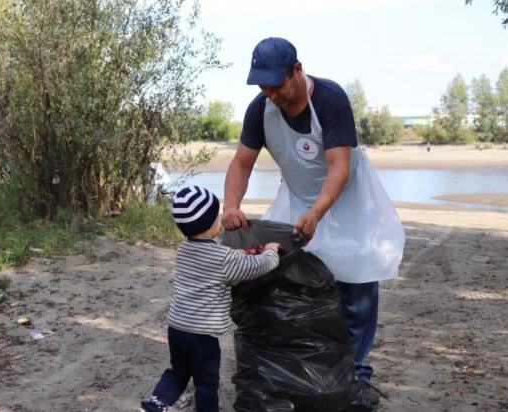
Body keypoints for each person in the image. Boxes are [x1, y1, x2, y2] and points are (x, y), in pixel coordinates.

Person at [221, 37, 405, 406]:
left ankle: (356, 372)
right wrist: (230, 205)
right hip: (297, 197)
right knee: (281, 277)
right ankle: (306, 363)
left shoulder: (330, 99)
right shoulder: (260, 109)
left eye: (277, 85)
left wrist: (319, 211)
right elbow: (241, 163)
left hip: (347, 198)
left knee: (355, 284)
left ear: (297, 70)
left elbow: (339, 168)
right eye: (263, 86)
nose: (270, 93)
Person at [140, 186, 281, 412]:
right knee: (206, 382)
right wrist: (271, 252)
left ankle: (155, 403)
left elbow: (216, 262)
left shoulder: (184, 249)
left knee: (178, 372)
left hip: (177, 328)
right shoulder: (223, 258)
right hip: (202, 336)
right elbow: (255, 267)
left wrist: (238, 255)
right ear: (212, 224)